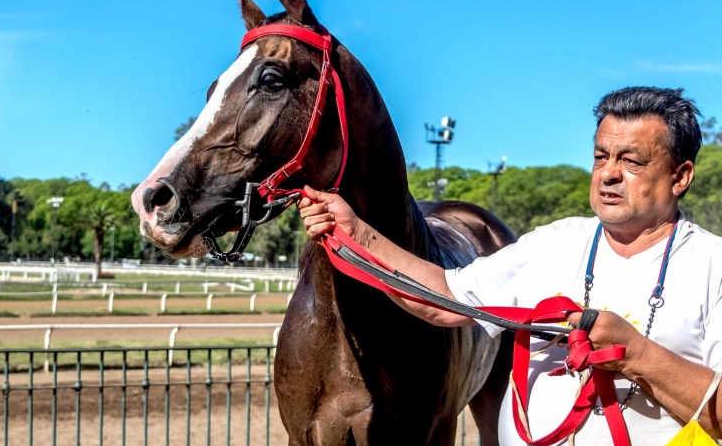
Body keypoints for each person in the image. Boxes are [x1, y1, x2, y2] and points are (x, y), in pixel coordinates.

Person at [298, 87, 722, 445]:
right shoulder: (553, 243)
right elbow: (441, 299)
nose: (609, 174)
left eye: (631, 161)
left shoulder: (713, 265)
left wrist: (637, 355)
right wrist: (356, 231)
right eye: (600, 157)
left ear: (680, 176)